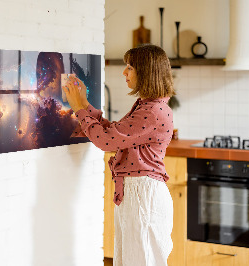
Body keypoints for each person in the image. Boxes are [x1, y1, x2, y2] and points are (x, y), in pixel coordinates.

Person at [63, 44, 175, 266]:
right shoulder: (148, 106)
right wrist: (84, 103)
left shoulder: (152, 111)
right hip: (138, 193)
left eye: (130, 67)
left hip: (143, 195)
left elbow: (106, 141)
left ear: (146, 72)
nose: (124, 72)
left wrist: (78, 109)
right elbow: (114, 133)